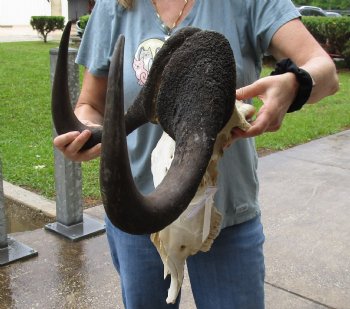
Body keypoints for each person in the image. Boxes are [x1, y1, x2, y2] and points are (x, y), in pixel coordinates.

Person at [54, 0, 339, 308]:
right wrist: (88, 132)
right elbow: (91, 106)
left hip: (227, 215)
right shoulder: (114, 6)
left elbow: (325, 72)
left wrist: (295, 84)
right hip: (137, 215)